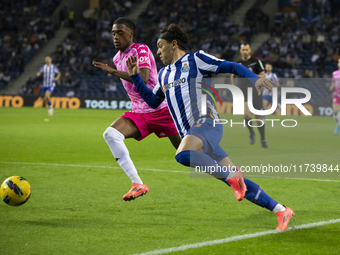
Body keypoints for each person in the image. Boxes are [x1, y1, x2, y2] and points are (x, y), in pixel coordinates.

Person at [127, 23, 294, 230]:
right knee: (235, 180)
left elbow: (231, 66)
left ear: (174, 44)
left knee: (182, 154)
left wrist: (253, 79)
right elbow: (152, 101)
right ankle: (281, 210)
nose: (157, 51)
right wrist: (135, 77)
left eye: (160, 46)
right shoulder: (163, 75)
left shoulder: (196, 60)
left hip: (207, 123)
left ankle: (235, 178)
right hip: (195, 135)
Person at [92, 17, 181, 201]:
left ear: (131, 34)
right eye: (113, 33)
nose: (115, 37)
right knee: (111, 134)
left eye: (120, 33)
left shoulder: (140, 49)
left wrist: (113, 72)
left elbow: (143, 76)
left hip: (161, 109)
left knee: (188, 155)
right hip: (140, 113)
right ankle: (137, 184)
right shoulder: (118, 57)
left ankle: (229, 172)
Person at [231, 43, 268, 148]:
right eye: (243, 50)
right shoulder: (238, 63)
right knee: (247, 115)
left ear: (250, 50)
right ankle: (252, 133)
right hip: (244, 92)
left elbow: (262, 75)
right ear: (240, 51)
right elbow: (232, 75)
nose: (245, 51)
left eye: (247, 49)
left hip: (256, 91)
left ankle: (263, 139)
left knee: (258, 117)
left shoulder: (256, 62)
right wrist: (234, 88)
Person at [330, 58, 340, 135]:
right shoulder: (335, 73)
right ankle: (338, 124)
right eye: (339, 62)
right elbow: (333, 82)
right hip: (337, 95)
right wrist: (332, 86)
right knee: (335, 111)